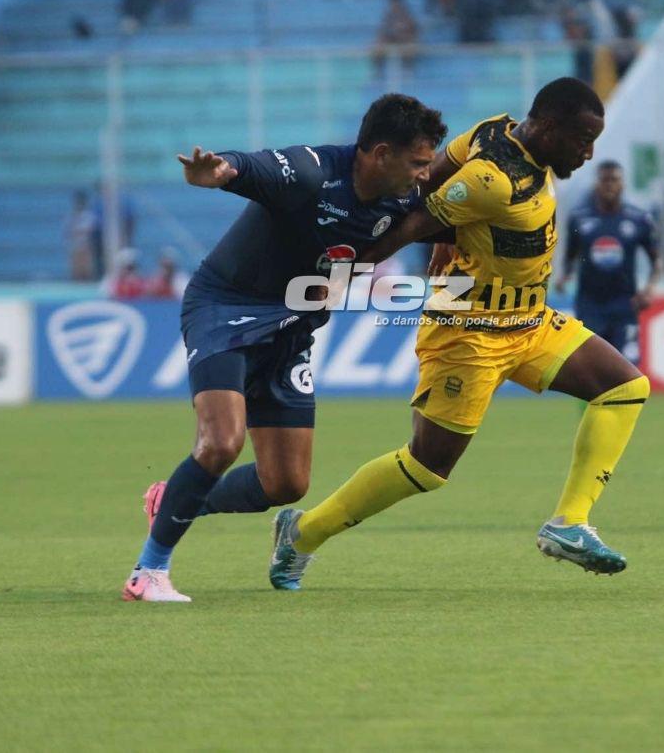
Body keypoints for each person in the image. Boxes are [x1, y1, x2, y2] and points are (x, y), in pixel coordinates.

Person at [268, 78, 652, 591]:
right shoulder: (493, 178)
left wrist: (450, 239)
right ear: (550, 126)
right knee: (428, 468)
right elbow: (412, 221)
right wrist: (332, 280)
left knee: (624, 387)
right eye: (582, 139)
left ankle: (569, 524)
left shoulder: (493, 129)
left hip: (529, 320)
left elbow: (431, 176)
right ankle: (303, 531)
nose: (587, 153)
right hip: (468, 331)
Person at [122, 94, 446, 603]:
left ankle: (178, 498)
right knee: (221, 443)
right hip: (226, 309)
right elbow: (251, 167)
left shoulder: (403, 198)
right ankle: (148, 572)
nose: (425, 174)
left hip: (292, 325)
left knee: (286, 483)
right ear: (381, 154)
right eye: (419, 163)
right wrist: (219, 170)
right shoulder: (314, 172)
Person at [556, 161, 660, 365]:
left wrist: (649, 289)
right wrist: (564, 275)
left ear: (622, 184)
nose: (609, 185)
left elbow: (657, 260)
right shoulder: (579, 218)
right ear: (597, 183)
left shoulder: (639, 219)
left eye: (615, 180)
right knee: (592, 367)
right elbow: (570, 254)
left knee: (627, 366)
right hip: (589, 304)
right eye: (605, 180)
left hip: (625, 303)